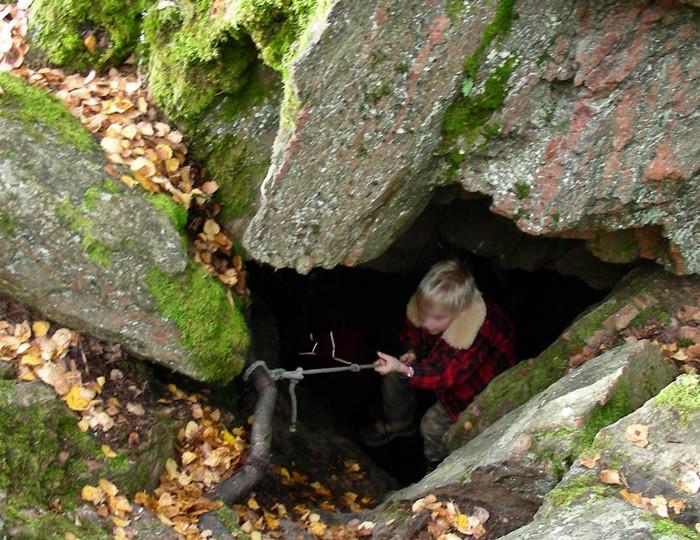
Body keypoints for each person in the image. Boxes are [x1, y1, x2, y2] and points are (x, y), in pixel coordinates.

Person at [360, 260, 518, 470]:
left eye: (436, 318)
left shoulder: (476, 328)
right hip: (440, 362)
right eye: (424, 314)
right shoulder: (432, 307)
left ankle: (436, 467)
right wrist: (411, 351)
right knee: (393, 376)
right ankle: (401, 423)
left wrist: (404, 368)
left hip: (476, 381)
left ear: (460, 311)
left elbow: (447, 374)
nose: (427, 323)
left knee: (432, 426)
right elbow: (413, 331)